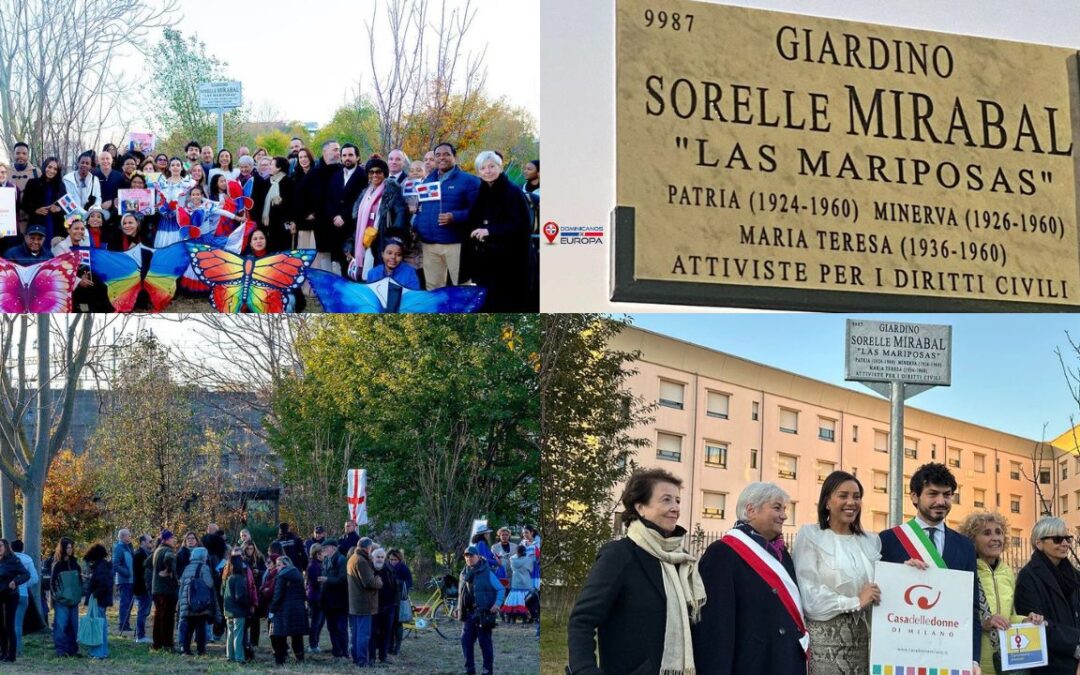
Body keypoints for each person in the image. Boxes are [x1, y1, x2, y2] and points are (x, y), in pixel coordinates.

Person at [568, 468, 705, 675]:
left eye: (677, 500)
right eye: (666, 500)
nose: (675, 508)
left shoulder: (683, 560)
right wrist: (585, 670)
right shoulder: (620, 555)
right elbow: (582, 620)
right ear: (640, 507)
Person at [694, 481, 807, 674]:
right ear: (751, 510)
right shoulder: (722, 553)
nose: (784, 515)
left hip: (785, 661)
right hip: (753, 663)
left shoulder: (782, 554)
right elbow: (715, 628)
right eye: (777, 508)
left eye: (784, 509)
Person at [879, 462, 981, 670]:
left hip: (949, 655)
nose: (941, 501)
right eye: (932, 494)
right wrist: (900, 576)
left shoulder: (965, 546)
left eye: (947, 494)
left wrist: (973, 659)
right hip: (902, 656)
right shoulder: (889, 540)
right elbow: (879, 601)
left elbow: (971, 608)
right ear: (915, 497)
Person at [792, 471, 881, 675]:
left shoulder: (871, 541)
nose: (851, 502)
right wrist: (855, 602)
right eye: (843, 495)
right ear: (827, 502)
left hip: (865, 646)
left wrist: (911, 570)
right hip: (824, 648)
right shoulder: (810, 536)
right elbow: (808, 595)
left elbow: (884, 586)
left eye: (856, 497)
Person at [963, 511, 1045, 675]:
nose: (995, 538)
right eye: (987, 533)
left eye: (999, 532)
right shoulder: (966, 568)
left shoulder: (1007, 572)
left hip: (1007, 662)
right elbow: (956, 615)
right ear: (972, 540)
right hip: (975, 662)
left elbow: (1010, 616)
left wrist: (1026, 620)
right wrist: (984, 622)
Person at [468, 150, 534, 310]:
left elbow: (524, 225)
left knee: (509, 305)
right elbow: (474, 218)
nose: (488, 171)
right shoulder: (482, 191)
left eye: (492, 166)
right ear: (478, 172)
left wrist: (489, 231)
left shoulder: (513, 192)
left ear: (500, 167)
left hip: (513, 261)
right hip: (489, 260)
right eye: (483, 168)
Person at [1014, 516, 1080, 675]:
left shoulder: (1074, 575)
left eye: (1067, 538)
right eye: (1057, 539)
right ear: (1039, 543)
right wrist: (1076, 645)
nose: (1065, 543)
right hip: (1051, 664)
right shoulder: (1028, 576)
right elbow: (1035, 623)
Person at [413, 142, 480, 289]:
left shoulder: (469, 181)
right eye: (438, 155)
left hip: (455, 243)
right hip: (429, 244)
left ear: (454, 157)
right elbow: (421, 208)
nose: (442, 158)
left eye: (446, 154)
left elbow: (479, 211)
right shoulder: (428, 179)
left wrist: (455, 217)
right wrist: (416, 225)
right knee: (433, 286)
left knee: (461, 286)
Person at [346, 156, 408, 281]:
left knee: (381, 273)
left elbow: (401, 213)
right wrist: (351, 242)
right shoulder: (365, 192)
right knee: (367, 273)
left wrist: (393, 239)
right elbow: (357, 220)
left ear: (384, 173)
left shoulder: (392, 191)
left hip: (382, 239)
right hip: (364, 240)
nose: (375, 175)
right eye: (371, 172)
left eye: (378, 172)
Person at [459, 543, 507, 675]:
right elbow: (461, 593)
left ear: (478, 557)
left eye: (471, 556)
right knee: (465, 642)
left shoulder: (487, 572)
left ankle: (487, 671)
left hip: (483, 614)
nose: (469, 558)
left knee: (485, 645)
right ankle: (469, 670)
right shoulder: (464, 573)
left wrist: (497, 604)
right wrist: (459, 608)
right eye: (466, 556)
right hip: (468, 614)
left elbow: (501, 588)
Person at [322, 142, 367, 276]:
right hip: (336, 227)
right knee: (341, 264)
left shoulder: (364, 176)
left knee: (353, 266)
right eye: (344, 155)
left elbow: (360, 200)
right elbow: (329, 198)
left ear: (357, 157)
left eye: (350, 155)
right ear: (341, 158)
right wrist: (334, 216)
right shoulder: (336, 175)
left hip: (353, 228)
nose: (347, 158)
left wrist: (344, 216)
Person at [177, 546, 218, 656]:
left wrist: (181, 601)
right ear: (203, 557)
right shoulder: (204, 568)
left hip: (187, 602)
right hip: (199, 602)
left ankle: (186, 650)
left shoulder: (187, 567)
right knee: (200, 627)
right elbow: (209, 583)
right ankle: (201, 650)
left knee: (188, 628)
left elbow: (181, 587)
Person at [347, 537, 382, 667]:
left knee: (355, 633)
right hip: (364, 604)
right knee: (363, 635)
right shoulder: (361, 560)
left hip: (355, 603)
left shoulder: (352, 558)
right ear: (368, 548)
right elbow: (369, 582)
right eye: (371, 548)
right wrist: (379, 580)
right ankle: (362, 661)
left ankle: (356, 658)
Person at [269, 555, 308, 665]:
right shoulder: (298, 574)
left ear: (285, 565)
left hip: (284, 609)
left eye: (279, 565)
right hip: (298, 609)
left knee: (280, 635)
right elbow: (303, 594)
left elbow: (278, 595)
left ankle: (280, 660)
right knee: (297, 635)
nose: (277, 567)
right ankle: (300, 658)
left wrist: (272, 609)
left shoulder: (281, 575)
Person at [222, 549, 256, 664]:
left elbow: (223, 594)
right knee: (238, 635)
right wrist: (248, 605)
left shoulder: (228, 578)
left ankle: (229, 656)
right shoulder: (240, 578)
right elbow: (240, 597)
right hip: (238, 612)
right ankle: (239, 658)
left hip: (228, 611)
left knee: (230, 635)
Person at [21, 157, 64, 245]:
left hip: (54, 224)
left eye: (55, 169)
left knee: (52, 251)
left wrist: (58, 209)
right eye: (49, 167)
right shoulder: (33, 183)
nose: (51, 171)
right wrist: (35, 210)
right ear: (45, 167)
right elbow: (24, 204)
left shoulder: (61, 186)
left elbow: (66, 206)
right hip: (37, 223)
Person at [51, 537, 82, 657]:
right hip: (62, 601)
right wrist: (57, 596)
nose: (70, 550)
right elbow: (53, 582)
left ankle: (72, 649)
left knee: (74, 626)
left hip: (74, 600)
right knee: (61, 625)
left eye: (71, 547)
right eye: (68, 547)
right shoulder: (58, 565)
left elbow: (79, 581)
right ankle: (60, 650)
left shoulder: (75, 564)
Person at [0, 539, 30, 663]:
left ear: (6, 547)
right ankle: (3, 652)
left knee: (9, 624)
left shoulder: (14, 560)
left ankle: (11, 655)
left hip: (10, 595)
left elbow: (26, 574)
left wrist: (15, 582)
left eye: (0, 546)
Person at [319, 538, 350, 659]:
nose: (324, 550)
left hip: (340, 601)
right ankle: (336, 652)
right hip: (328, 601)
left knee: (341, 628)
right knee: (331, 628)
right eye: (323, 548)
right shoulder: (326, 560)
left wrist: (327, 580)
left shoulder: (342, 560)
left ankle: (344, 652)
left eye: (326, 548)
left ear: (333, 548)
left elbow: (343, 580)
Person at [83, 543, 113, 660]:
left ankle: (98, 652)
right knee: (102, 625)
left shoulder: (100, 568)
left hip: (98, 600)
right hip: (102, 600)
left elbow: (102, 584)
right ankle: (103, 651)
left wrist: (94, 595)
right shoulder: (104, 566)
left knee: (97, 627)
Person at [9, 540, 38, 657]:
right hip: (23, 594)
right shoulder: (28, 559)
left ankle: (8, 648)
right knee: (18, 623)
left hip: (9, 594)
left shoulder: (9, 559)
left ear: (10, 548)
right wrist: (24, 584)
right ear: (22, 548)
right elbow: (35, 578)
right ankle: (18, 649)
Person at [150, 530, 179, 652]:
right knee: (167, 618)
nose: (174, 540)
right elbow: (169, 560)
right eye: (172, 538)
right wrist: (168, 571)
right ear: (166, 539)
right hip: (167, 590)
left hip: (156, 588)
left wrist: (157, 572)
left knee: (158, 617)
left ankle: (157, 644)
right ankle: (168, 644)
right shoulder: (168, 551)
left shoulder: (157, 550)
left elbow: (146, 563)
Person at [261, 156, 294, 252]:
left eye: (271, 164)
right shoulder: (268, 181)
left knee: (283, 252)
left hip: (283, 224)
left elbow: (290, 204)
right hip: (270, 225)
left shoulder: (287, 181)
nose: (269, 167)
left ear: (279, 167)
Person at [370, 547, 397, 664]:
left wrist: (393, 604)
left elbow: (395, 586)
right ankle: (371, 657)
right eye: (377, 557)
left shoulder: (389, 569)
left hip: (388, 606)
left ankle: (383, 656)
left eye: (382, 557)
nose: (380, 559)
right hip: (373, 607)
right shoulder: (369, 569)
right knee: (372, 633)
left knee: (386, 633)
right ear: (372, 558)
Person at [9, 142, 41, 238]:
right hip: (10, 220)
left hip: (30, 220)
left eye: (24, 153)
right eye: (18, 153)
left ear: (28, 155)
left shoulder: (36, 172)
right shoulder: (5, 171)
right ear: (13, 154)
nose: (21, 156)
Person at [387, 548, 413, 655]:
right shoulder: (386, 567)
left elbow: (409, 582)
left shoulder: (403, 568)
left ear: (399, 559)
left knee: (398, 624)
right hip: (388, 599)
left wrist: (400, 584)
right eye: (391, 559)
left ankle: (397, 647)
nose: (393, 562)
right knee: (389, 624)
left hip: (399, 600)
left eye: (395, 560)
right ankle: (389, 646)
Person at [63, 151, 102, 218]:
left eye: (87, 163)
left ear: (90, 166)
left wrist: (94, 209)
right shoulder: (67, 179)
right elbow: (68, 203)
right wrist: (86, 214)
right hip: (72, 218)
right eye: (82, 162)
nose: (84, 165)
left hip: (89, 218)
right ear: (78, 163)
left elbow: (98, 198)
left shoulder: (95, 180)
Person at [502, 544, 534, 623]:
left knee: (513, 602)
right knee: (525, 603)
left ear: (517, 552)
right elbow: (530, 570)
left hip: (516, 583)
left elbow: (512, 568)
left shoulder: (512, 559)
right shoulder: (529, 559)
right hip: (526, 583)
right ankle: (525, 619)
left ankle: (512, 619)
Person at [112, 528, 135, 636]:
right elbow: (115, 564)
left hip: (131, 580)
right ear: (122, 537)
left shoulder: (129, 547)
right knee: (125, 603)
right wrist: (126, 573)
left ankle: (126, 624)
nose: (130, 537)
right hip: (124, 580)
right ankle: (123, 624)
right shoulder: (119, 548)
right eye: (128, 535)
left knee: (129, 604)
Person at [132, 534, 154, 644]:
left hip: (145, 587)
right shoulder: (139, 554)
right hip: (142, 587)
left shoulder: (145, 553)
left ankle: (139, 634)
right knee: (143, 611)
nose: (151, 543)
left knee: (145, 610)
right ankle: (140, 636)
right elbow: (141, 573)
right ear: (143, 542)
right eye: (149, 541)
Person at [93, 149, 123, 221]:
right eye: (102, 159)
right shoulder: (93, 175)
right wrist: (98, 204)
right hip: (97, 214)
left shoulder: (119, 175)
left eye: (107, 158)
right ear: (98, 161)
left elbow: (123, 194)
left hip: (115, 214)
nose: (105, 161)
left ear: (112, 160)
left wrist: (112, 202)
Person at [306, 542, 325, 654]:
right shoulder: (313, 565)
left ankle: (315, 642)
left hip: (318, 596)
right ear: (317, 553)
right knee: (316, 622)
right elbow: (315, 581)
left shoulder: (317, 564)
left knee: (319, 621)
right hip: (315, 597)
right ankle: (313, 644)